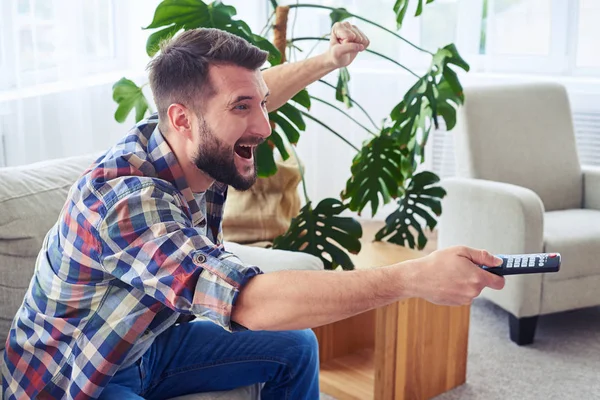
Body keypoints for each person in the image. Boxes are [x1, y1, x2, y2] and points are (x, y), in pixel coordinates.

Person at [1, 23, 505, 400]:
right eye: (244, 107)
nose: (263, 126)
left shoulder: (186, 140)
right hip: (80, 376)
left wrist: (327, 60)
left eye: (260, 104)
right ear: (182, 117)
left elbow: (244, 98)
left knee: (295, 347)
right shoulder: (127, 201)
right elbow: (249, 302)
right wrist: (411, 277)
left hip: (146, 346)